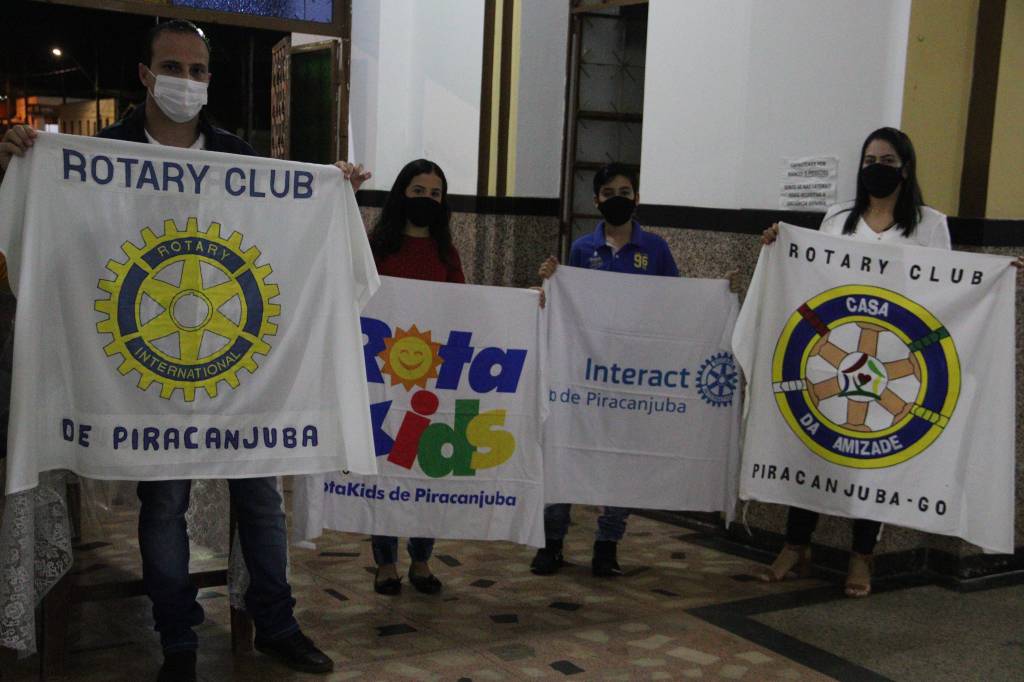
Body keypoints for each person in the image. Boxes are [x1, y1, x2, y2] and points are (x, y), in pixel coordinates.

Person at [0, 20, 369, 681]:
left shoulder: (237, 157)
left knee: (261, 498)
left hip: (240, 372)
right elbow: (63, 248)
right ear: (145, 75)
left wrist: (332, 189)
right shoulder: (98, 156)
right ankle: (177, 640)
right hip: (145, 374)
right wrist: (23, 163)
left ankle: (277, 625)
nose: (187, 81)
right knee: (164, 503)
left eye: (198, 70)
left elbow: (282, 239)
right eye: (173, 67)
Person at [758, 127, 948, 597]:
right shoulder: (837, 218)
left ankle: (862, 556)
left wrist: (997, 278)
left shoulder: (929, 224)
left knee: (873, 458)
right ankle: (795, 544)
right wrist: (779, 245)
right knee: (816, 444)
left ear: (906, 169)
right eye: (869, 161)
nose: (876, 169)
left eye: (887, 161)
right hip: (833, 354)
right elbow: (809, 275)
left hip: (895, 362)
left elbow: (946, 287)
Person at [532, 162, 679, 577]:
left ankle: (607, 545)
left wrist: (719, 294)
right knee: (566, 451)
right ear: (596, 200)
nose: (618, 199)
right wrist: (550, 282)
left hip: (632, 375)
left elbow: (677, 303)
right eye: (609, 192)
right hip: (584, 373)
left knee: (621, 461)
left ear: (637, 198)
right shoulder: (583, 249)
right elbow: (567, 305)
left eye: (625, 192)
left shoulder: (656, 250)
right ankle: (552, 542)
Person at [367, 158, 464, 595]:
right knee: (387, 465)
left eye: (435, 194)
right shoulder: (378, 247)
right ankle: (385, 562)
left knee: (427, 465)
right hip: (382, 374)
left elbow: (465, 305)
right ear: (402, 194)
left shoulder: (446, 252)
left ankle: (422, 559)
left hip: (433, 377)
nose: (427, 199)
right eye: (419, 191)